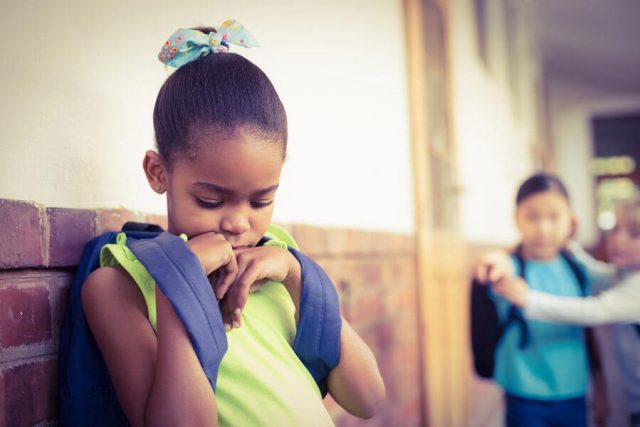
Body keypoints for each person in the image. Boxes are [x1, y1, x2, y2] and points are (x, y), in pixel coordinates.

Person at [80, 20, 385, 426]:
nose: (240, 223)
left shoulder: (274, 263)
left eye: (262, 200)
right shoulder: (121, 286)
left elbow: (367, 399)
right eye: (211, 199)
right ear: (158, 173)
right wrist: (179, 284)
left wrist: (297, 274)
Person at [488, 197, 640, 427]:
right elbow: (595, 272)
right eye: (614, 228)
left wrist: (530, 300)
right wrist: (568, 240)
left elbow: (592, 310)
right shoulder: (624, 275)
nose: (618, 240)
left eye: (634, 234)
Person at [473, 173, 602, 427]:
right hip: (524, 395)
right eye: (532, 217)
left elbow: (591, 331)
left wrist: (602, 389)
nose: (544, 228)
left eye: (554, 217)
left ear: (571, 220)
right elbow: (498, 264)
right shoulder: (512, 267)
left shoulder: (580, 269)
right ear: (516, 219)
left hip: (574, 392)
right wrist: (494, 261)